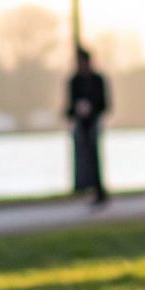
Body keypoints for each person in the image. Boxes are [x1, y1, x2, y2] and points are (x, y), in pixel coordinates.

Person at [65, 48, 110, 205]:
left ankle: (98, 190)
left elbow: (105, 104)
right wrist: (75, 110)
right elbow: (69, 105)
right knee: (82, 157)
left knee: (94, 156)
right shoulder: (74, 81)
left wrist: (91, 109)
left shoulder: (97, 80)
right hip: (80, 124)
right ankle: (84, 187)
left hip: (94, 123)